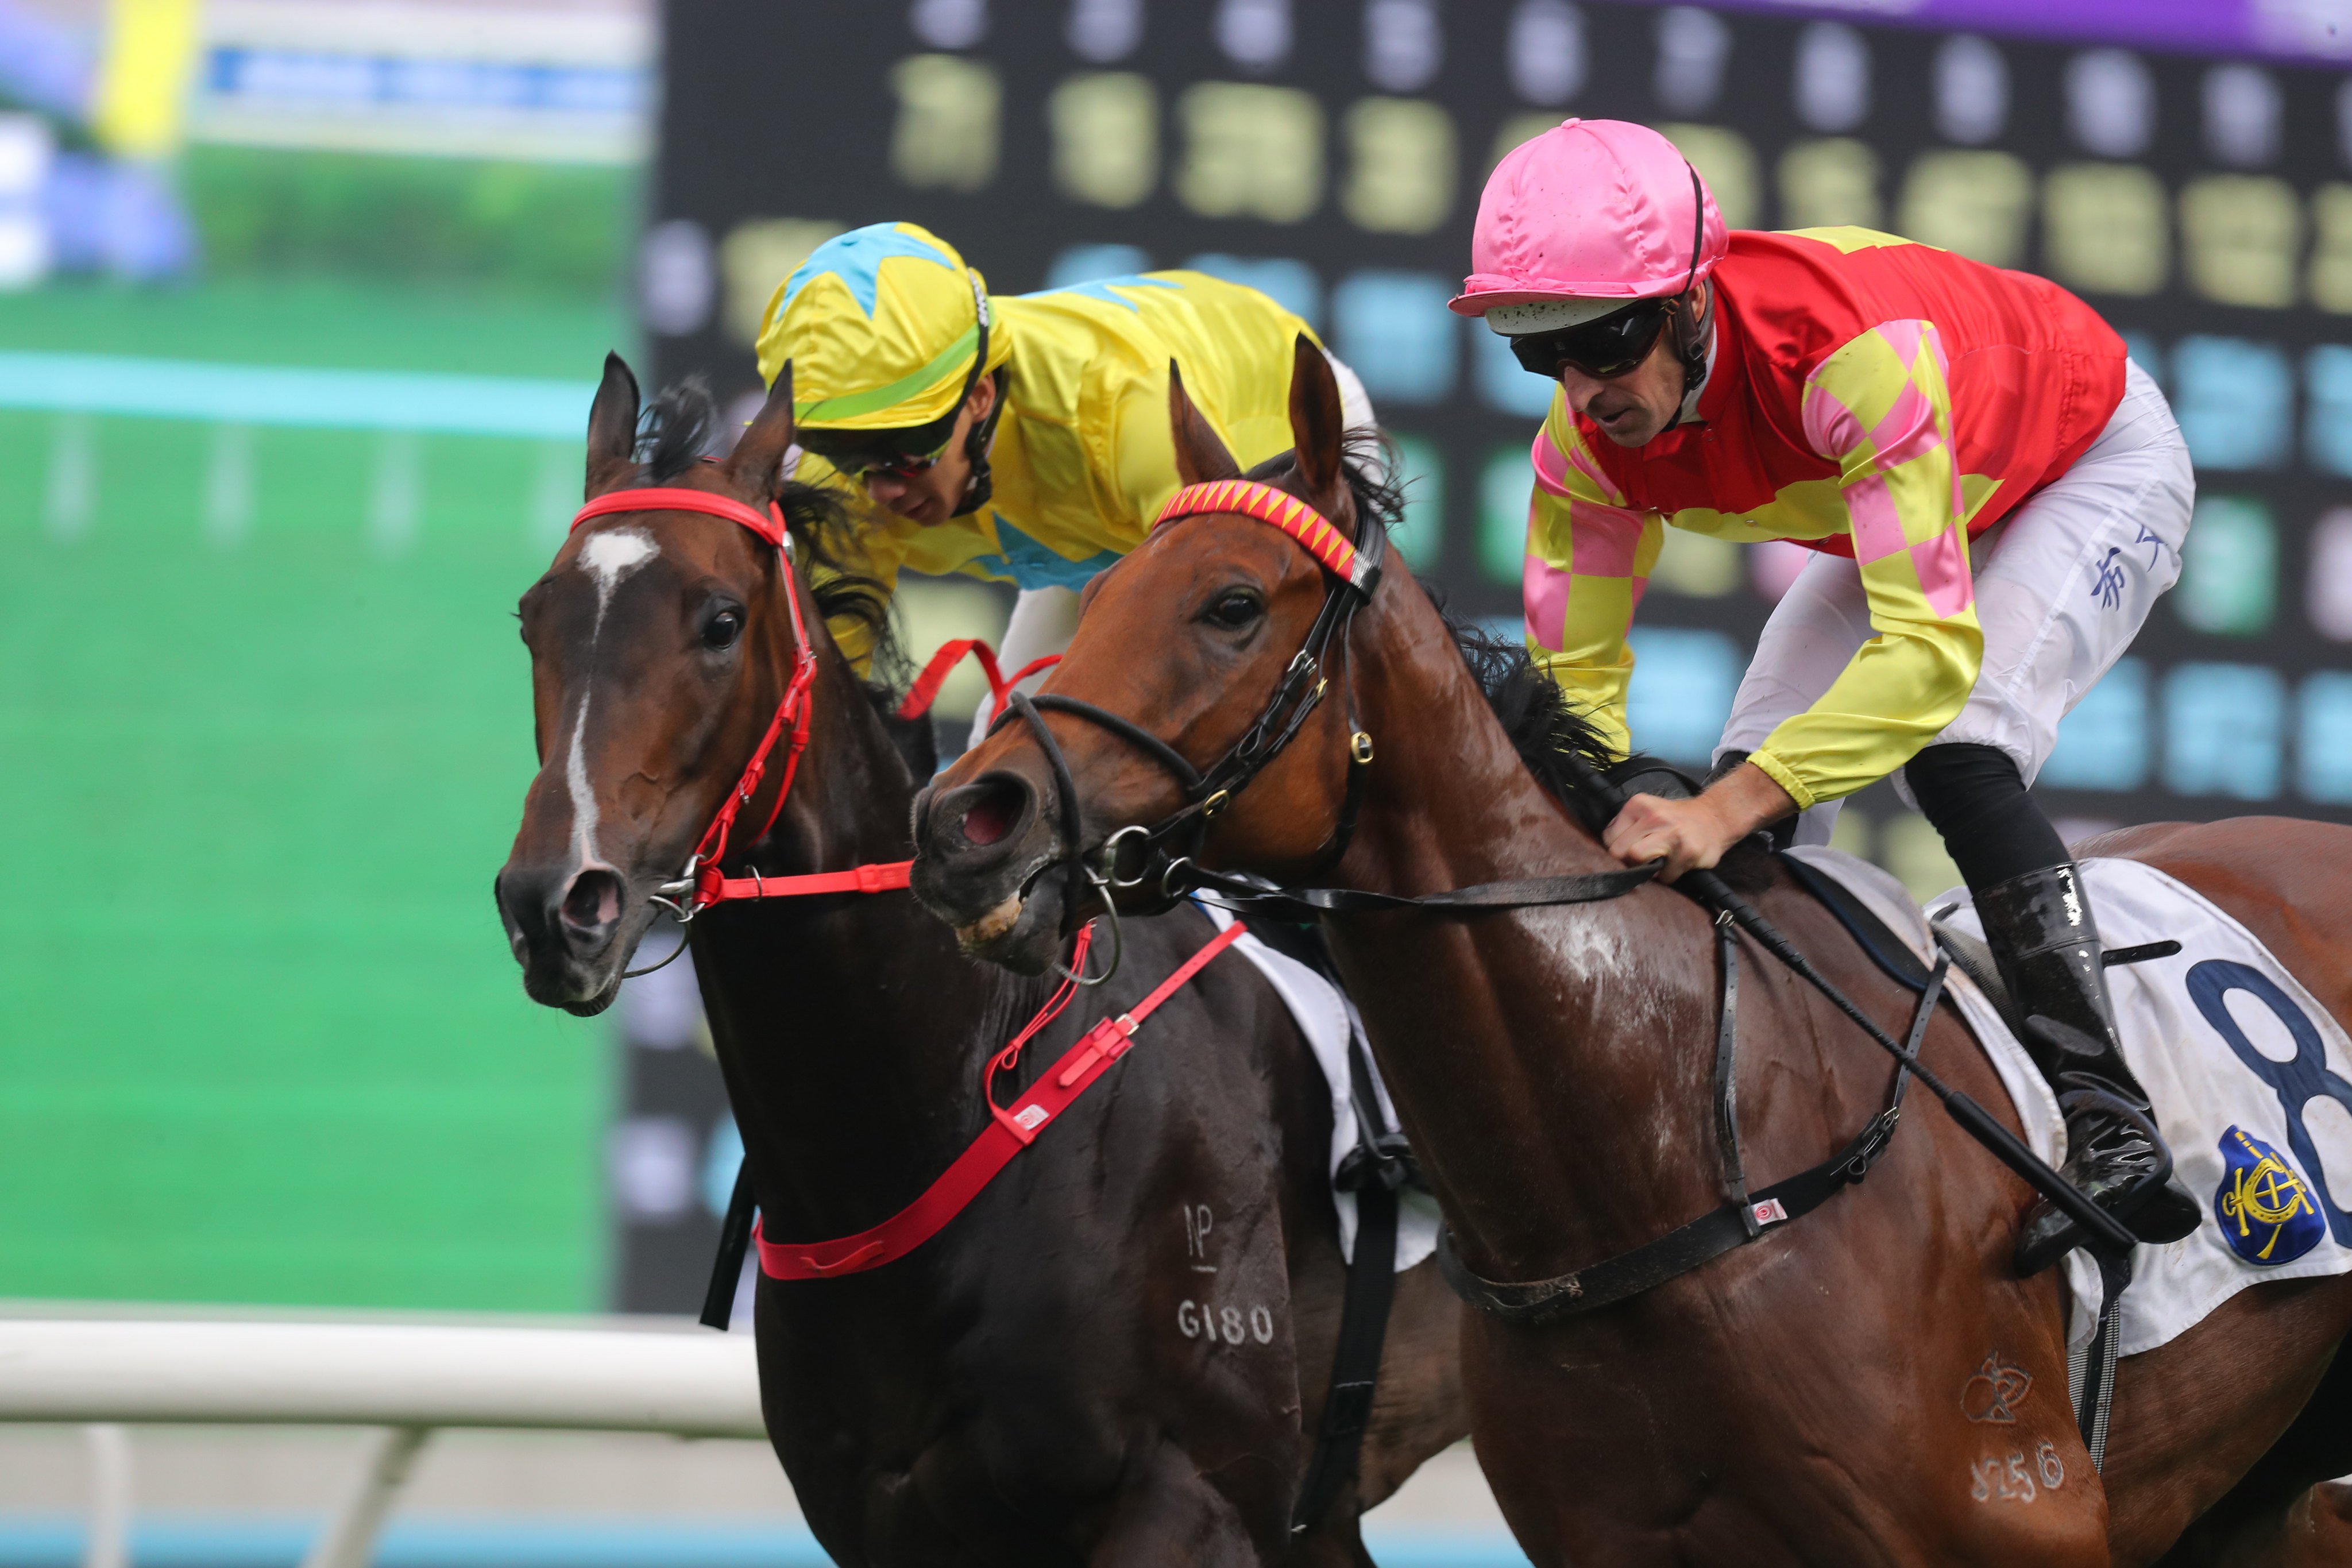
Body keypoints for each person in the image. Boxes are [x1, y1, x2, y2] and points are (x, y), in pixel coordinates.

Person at [1453, 118, 2199, 1273]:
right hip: (1923, 488)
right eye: (1536, 352)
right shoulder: (1580, 454)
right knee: (1758, 778)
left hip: (2084, 460)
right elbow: (1576, 698)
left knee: (1951, 745)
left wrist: (1714, 808)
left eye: (1604, 341)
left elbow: (1926, 653)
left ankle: (2108, 1116)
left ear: (1692, 303)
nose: (1584, 389)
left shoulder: (1848, 354)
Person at [756, 222, 1374, 739]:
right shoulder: (839, 486)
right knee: (999, 759)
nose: (879, 489)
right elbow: (814, 718)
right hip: (1110, 520)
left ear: (979, 396)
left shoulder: (1128, 422)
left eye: (902, 449)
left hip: (1280, 443)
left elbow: (1217, 647)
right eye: (842, 451)